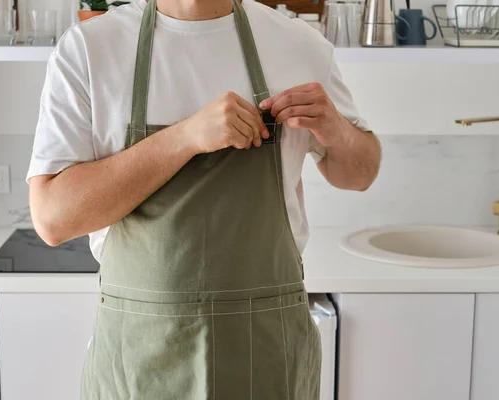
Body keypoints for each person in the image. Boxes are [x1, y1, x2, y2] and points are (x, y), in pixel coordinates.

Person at [27, 0, 381, 398]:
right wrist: (185, 138)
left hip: (266, 356)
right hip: (140, 362)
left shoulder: (299, 45)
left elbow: (360, 174)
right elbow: (53, 218)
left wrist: (334, 128)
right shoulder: (90, 50)